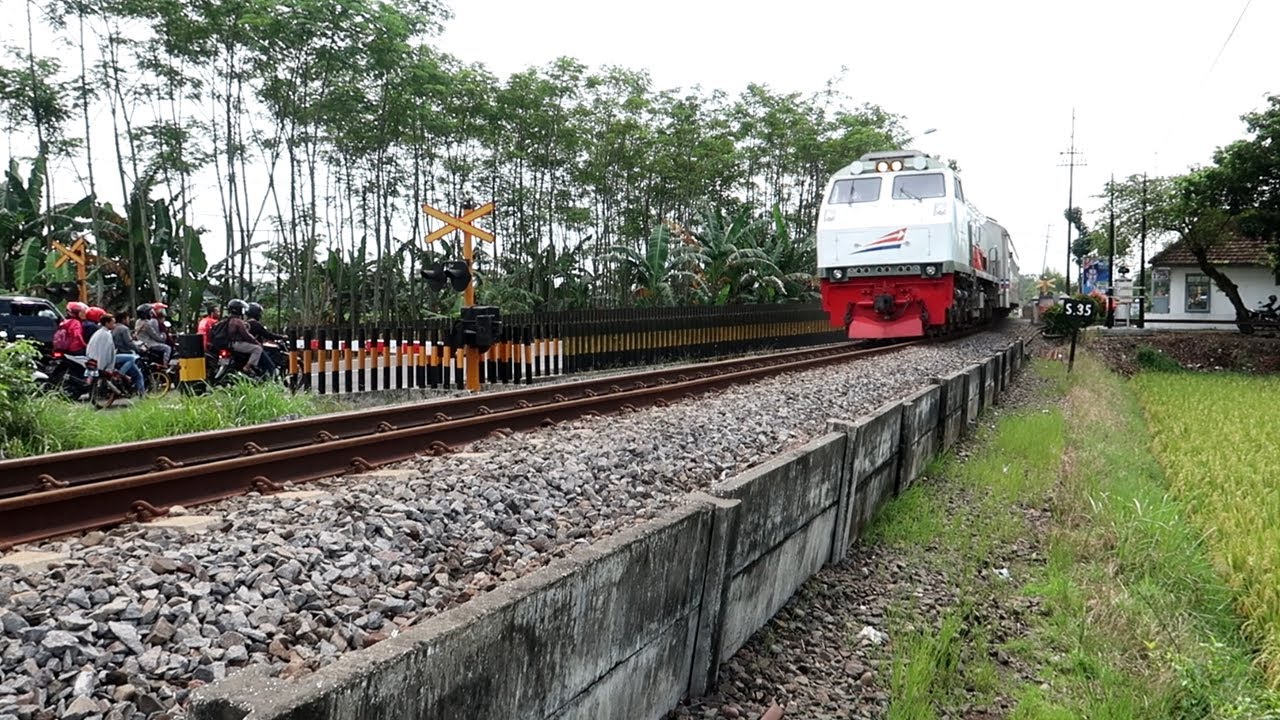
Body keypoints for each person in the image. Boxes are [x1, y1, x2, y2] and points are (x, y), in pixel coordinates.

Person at [216, 299, 265, 375]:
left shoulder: (227, 319)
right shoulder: (238, 321)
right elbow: (246, 335)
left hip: (228, 344)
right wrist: (257, 342)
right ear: (240, 310)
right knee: (257, 349)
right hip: (235, 344)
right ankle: (247, 367)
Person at [109, 309, 146, 395]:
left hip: (115, 354)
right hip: (125, 354)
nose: (128, 320)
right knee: (138, 375)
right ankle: (142, 395)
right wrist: (139, 349)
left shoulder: (114, 328)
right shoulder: (124, 329)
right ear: (123, 319)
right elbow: (129, 343)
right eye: (127, 318)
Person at [85, 313, 117, 381]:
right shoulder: (106, 335)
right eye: (113, 323)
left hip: (92, 359)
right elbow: (106, 352)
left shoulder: (99, 332)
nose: (115, 325)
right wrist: (106, 368)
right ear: (107, 323)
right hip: (99, 363)